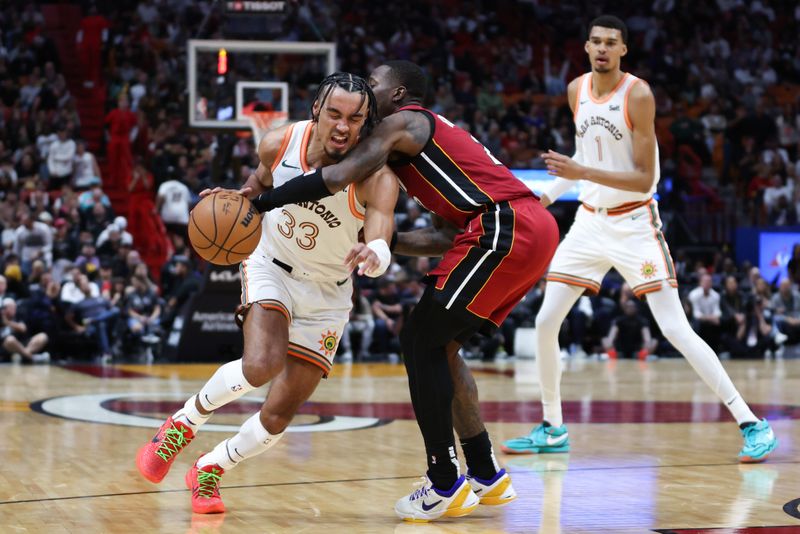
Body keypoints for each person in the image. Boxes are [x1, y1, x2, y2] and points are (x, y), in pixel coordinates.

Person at [239, 61, 560, 521]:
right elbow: (445, 239)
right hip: (520, 231)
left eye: (373, 86)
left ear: (399, 93)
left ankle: (443, 481)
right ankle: (487, 473)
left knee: (418, 341)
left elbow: (336, 176)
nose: (366, 94)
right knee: (442, 349)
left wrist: (260, 202)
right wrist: (377, 242)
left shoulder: (406, 121)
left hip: (506, 226)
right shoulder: (429, 156)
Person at [500, 15, 777, 463]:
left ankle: (751, 422)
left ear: (623, 49)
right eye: (596, 42)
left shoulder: (638, 94)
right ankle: (552, 427)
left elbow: (644, 177)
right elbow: (584, 156)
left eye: (611, 43)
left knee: (675, 329)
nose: (603, 49)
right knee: (546, 321)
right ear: (586, 47)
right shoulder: (576, 90)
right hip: (589, 223)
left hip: (635, 225)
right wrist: (546, 196)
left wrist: (581, 173)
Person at [135, 73, 399, 515]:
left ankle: (209, 468)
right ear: (316, 109)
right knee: (261, 364)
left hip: (328, 294)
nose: (342, 126)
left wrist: (377, 251)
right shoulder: (280, 141)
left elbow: (381, 225)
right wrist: (236, 201)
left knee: (278, 415)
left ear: (366, 122)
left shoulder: (375, 174)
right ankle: (181, 425)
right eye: (334, 113)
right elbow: (259, 184)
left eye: (355, 119)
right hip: (270, 264)